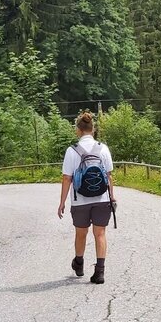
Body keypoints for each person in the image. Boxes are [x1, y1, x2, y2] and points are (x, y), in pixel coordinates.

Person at [57, 112, 115, 284]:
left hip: (79, 200)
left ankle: (79, 263)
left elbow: (67, 178)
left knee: (81, 233)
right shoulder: (103, 148)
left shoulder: (71, 151)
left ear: (78, 130)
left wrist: (62, 202)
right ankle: (100, 272)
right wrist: (112, 197)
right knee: (100, 234)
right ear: (93, 129)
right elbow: (109, 175)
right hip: (102, 199)